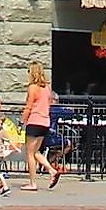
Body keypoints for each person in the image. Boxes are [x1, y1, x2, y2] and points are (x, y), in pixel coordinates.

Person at [22, 62, 65, 190]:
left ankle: (32, 183)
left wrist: (22, 121)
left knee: (29, 153)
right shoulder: (47, 87)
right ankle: (51, 170)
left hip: (34, 121)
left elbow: (28, 107)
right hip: (45, 122)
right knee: (36, 152)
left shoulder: (32, 87)